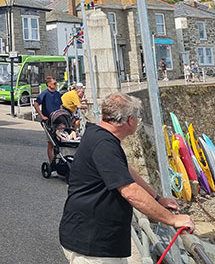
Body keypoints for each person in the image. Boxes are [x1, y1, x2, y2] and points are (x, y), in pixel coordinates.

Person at [59, 93, 194, 263]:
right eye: (137, 117)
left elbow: (126, 171)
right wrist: (172, 219)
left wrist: (157, 198)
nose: (138, 121)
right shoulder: (104, 145)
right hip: (92, 245)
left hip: (98, 240)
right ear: (130, 120)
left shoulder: (98, 133)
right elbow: (130, 191)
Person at [34, 76, 63, 164]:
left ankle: (59, 159)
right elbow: (36, 103)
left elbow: (60, 105)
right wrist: (42, 115)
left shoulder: (57, 94)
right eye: (54, 83)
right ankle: (51, 162)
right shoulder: (45, 93)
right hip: (49, 120)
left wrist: (62, 114)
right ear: (49, 84)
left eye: (56, 83)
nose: (56, 84)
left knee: (60, 141)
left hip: (58, 119)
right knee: (51, 142)